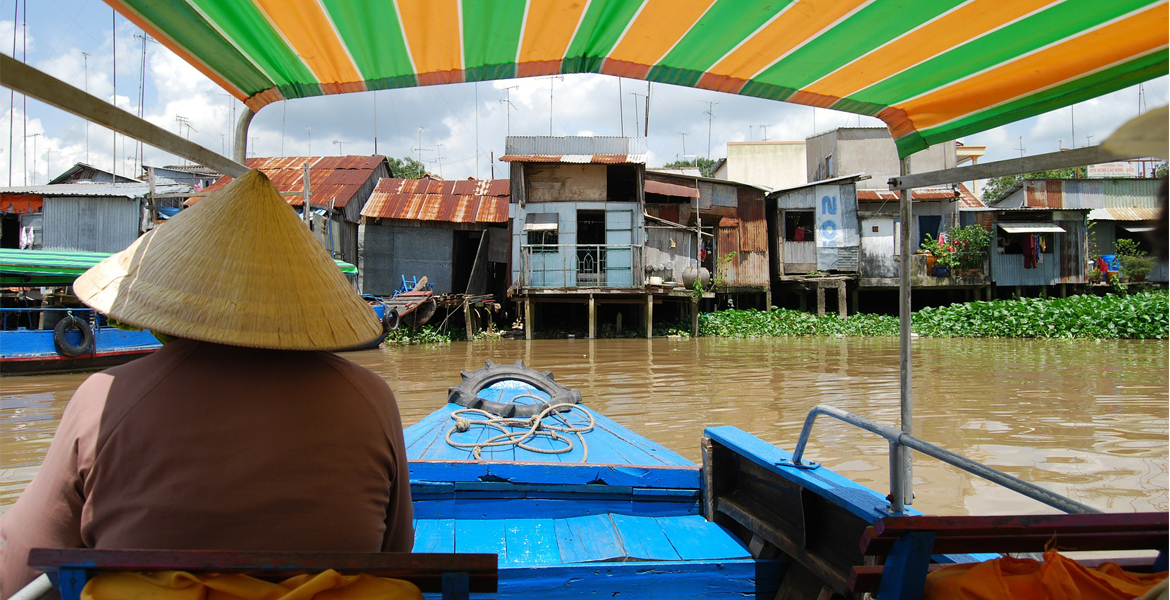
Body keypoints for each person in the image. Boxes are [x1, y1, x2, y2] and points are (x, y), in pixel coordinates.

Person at [0, 170, 413, 599]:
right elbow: (396, 551)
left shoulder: (104, 398)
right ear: (304, 300)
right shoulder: (370, 399)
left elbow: (23, 564)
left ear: (170, 298)